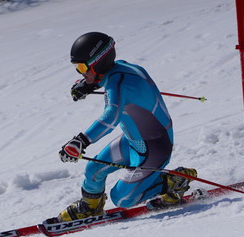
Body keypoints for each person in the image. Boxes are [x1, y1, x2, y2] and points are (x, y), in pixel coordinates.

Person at [54, 32, 197, 222]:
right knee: (93, 171)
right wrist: (88, 85)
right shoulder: (119, 69)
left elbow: (110, 117)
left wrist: (81, 141)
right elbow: (111, 78)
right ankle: (91, 207)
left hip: (155, 148)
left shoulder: (120, 83)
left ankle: (174, 182)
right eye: (77, 68)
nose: (81, 73)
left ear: (98, 62)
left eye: (82, 67)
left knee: (122, 199)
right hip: (133, 142)